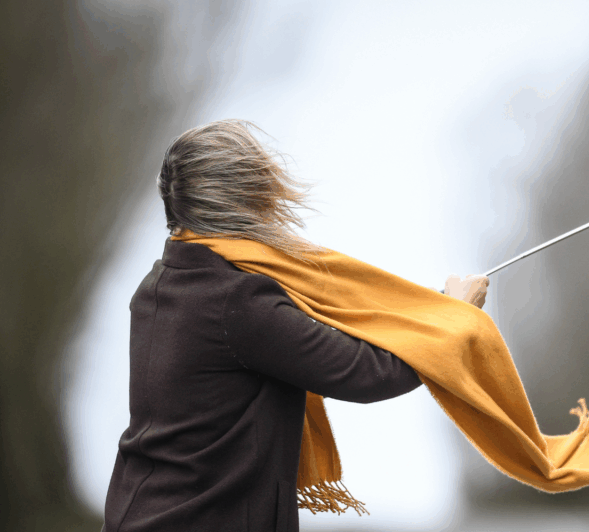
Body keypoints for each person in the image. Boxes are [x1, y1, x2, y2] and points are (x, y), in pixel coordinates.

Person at [101, 120, 488, 532]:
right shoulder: (236, 302)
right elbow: (364, 372)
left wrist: (427, 311)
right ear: (244, 198)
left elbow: (307, 339)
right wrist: (457, 319)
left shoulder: (160, 283)